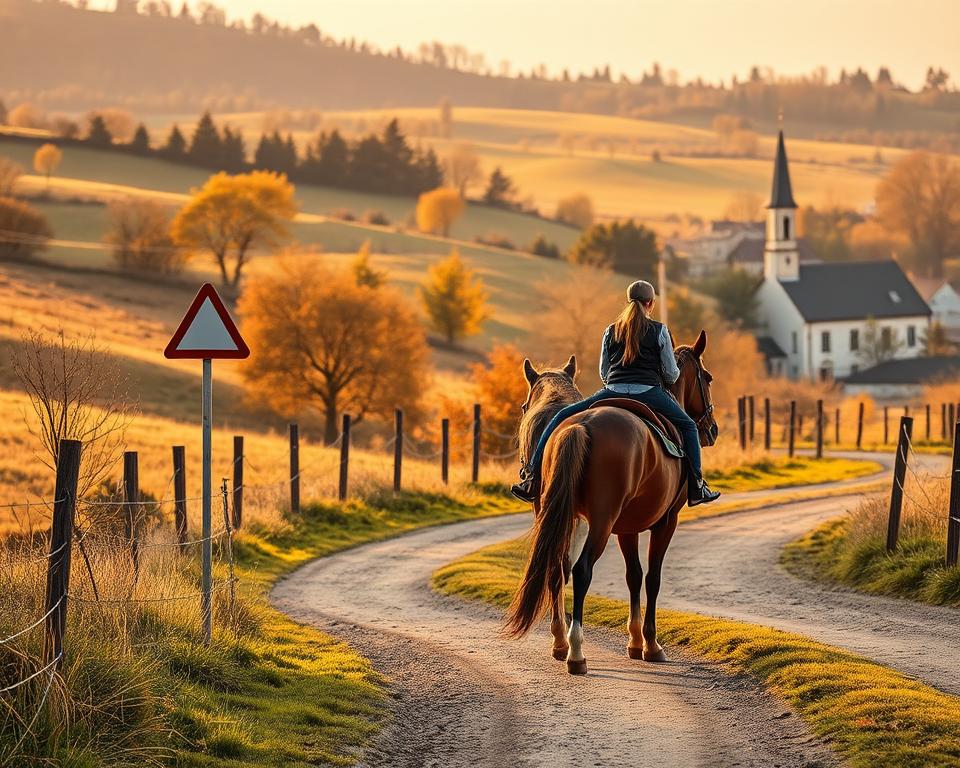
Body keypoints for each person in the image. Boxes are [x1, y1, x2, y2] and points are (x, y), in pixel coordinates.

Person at [511, 279, 721, 507]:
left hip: (611, 391)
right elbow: (672, 375)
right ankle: (698, 486)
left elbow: (604, 372)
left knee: (560, 417)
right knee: (689, 426)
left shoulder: (610, 331)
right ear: (650, 303)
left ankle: (531, 477)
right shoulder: (660, 331)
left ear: (629, 301)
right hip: (649, 392)